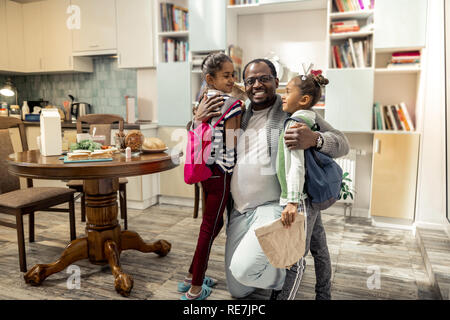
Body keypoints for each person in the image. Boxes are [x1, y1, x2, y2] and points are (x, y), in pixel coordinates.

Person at [194, 58, 349, 300]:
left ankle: (289, 269)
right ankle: (277, 264)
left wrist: (316, 140)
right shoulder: (239, 110)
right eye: (250, 80)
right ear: (245, 85)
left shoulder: (291, 111)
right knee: (238, 288)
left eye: (264, 78)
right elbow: (200, 137)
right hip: (240, 212)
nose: (257, 84)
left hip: (271, 208)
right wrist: (197, 119)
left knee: (245, 270)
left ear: (276, 82)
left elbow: (342, 142)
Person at [179, 53, 243, 300]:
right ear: (210, 78)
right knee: (208, 227)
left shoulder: (204, 100)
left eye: (233, 74)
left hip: (206, 172)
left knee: (213, 224)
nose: (231, 79)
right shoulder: (233, 105)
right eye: (226, 75)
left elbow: (200, 131)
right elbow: (233, 144)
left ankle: (190, 275)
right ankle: (195, 289)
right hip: (222, 174)